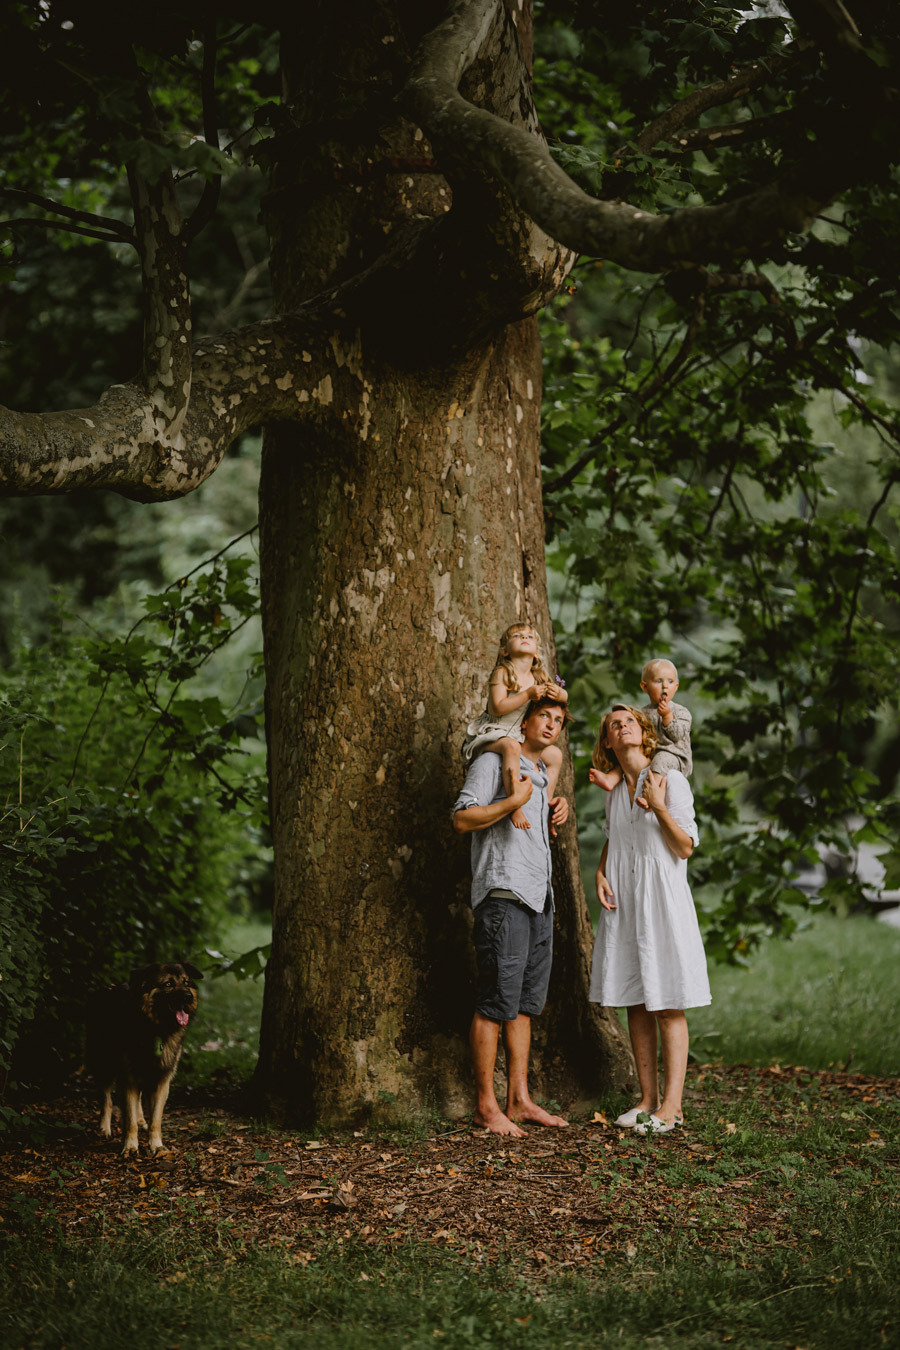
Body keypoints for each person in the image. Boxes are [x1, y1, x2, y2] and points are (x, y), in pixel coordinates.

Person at [588, 704, 710, 1135]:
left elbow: (685, 847)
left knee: (666, 1001)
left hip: (661, 901)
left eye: (629, 721)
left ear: (644, 732)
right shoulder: (613, 790)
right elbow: (615, 837)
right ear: (607, 742)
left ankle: (672, 1108)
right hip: (625, 900)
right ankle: (647, 1100)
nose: (622, 726)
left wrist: (658, 806)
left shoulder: (669, 779)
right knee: (636, 1001)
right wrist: (601, 870)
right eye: (613, 725)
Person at [453, 696, 571, 1137]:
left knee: (522, 1007)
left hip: (540, 897)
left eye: (558, 721)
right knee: (494, 1003)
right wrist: (512, 801)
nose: (552, 725)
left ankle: (518, 1100)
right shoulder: (492, 762)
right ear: (524, 721)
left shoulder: (539, 773)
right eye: (544, 716)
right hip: (504, 894)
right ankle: (486, 1107)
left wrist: (550, 806)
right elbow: (462, 818)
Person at [461, 623, 568, 830]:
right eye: (517, 636)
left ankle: (544, 807)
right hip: (492, 733)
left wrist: (562, 694)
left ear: (536, 653)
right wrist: (527, 694)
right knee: (511, 747)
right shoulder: (503, 672)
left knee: (555, 755)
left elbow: (560, 700)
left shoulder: (539, 677)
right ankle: (514, 803)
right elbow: (497, 708)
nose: (524, 638)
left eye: (529, 636)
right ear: (505, 651)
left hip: (519, 735)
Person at [589, 658, 691, 796]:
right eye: (659, 681)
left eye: (670, 681)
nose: (665, 686)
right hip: (649, 755)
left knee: (660, 760)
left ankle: (651, 794)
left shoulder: (681, 712)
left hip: (673, 756)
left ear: (676, 686)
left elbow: (677, 735)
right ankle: (611, 778)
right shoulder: (643, 714)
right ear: (645, 687)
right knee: (628, 759)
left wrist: (667, 716)